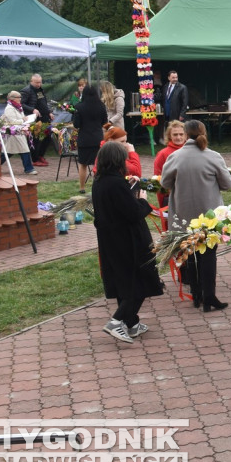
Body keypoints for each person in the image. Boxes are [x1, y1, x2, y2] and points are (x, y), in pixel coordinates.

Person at [92, 141, 165, 344]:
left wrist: (130, 188)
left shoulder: (100, 181)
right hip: (129, 241)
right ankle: (116, 321)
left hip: (111, 239)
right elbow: (133, 213)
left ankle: (131, 323)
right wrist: (142, 200)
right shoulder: (116, 184)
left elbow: (117, 206)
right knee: (140, 280)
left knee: (123, 281)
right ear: (118, 160)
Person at [160, 120, 231, 311]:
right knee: (208, 255)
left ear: (185, 134)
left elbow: (165, 183)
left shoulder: (175, 157)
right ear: (204, 133)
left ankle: (196, 295)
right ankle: (209, 297)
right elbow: (227, 184)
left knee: (190, 253)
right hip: (209, 215)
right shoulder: (213, 156)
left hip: (183, 214)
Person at [72, 85, 108, 192]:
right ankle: (98, 187)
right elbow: (104, 122)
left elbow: (76, 124)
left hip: (84, 139)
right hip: (98, 138)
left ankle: (82, 187)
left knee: (82, 164)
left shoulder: (79, 107)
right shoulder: (101, 106)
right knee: (98, 164)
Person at [0, 91, 38, 175]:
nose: (20, 99)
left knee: (11, 151)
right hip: (13, 133)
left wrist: (26, 120)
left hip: (19, 132)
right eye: (18, 97)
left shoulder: (18, 107)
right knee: (19, 150)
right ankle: (29, 169)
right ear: (13, 98)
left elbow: (21, 117)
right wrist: (23, 120)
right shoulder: (9, 108)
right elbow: (12, 121)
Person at [152, 121, 187, 212]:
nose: (178, 137)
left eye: (181, 134)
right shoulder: (163, 154)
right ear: (169, 136)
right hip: (171, 197)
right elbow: (158, 179)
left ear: (186, 135)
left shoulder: (192, 152)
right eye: (175, 134)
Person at [20, 74, 52, 166]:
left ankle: (40, 156)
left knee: (48, 137)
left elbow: (43, 103)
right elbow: (21, 104)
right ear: (31, 81)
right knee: (35, 139)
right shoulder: (26, 91)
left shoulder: (40, 90)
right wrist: (32, 109)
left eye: (40, 82)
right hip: (34, 118)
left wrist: (49, 112)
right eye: (36, 82)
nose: (38, 84)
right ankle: (35, 159)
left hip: (44, 117)